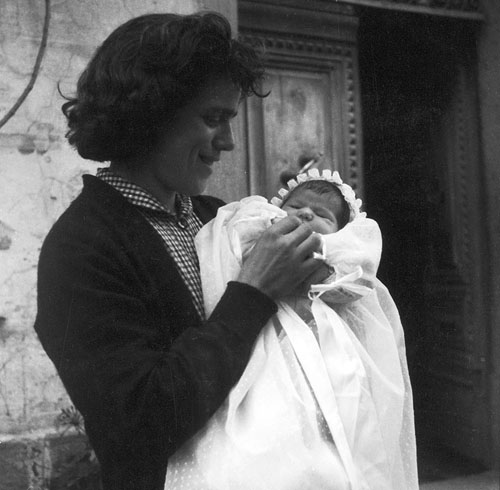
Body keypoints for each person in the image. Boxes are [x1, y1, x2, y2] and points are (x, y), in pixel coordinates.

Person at [34, 12, 330, 490]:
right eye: (213, 119)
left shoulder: (217, 217)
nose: (228, 142)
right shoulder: (81, 247)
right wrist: (253, 293)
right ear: (150, 113)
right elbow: (138, 421)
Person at [165, 169, 419, 490]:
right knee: (267, 426)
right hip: (267, 347)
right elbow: (238, 239)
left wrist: (325, 263)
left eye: (323, 215)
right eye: (295, 206)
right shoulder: (261, 235)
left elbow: (357, 269)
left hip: (320, 349)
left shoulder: (340, 260)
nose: (306, 213)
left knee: (337, 424)